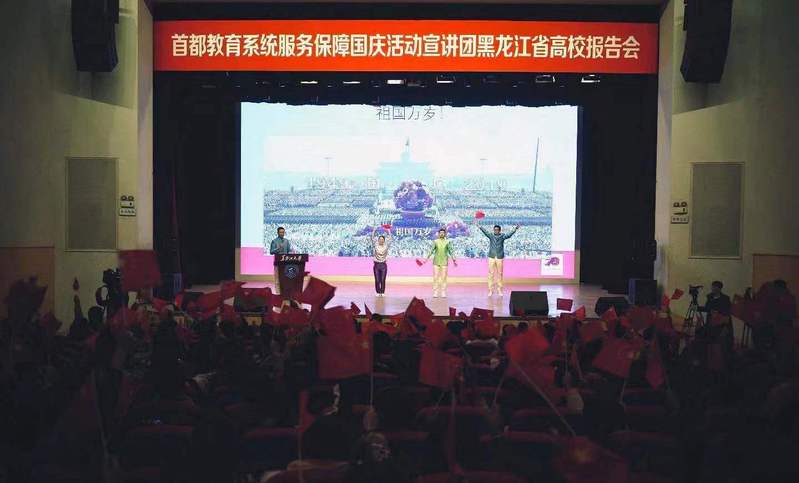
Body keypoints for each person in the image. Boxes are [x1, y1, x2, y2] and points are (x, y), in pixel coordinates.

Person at [475, 220, 520, 296]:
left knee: (500, 273)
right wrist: (479, 226)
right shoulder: (491, 235)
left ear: (499, 230)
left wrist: (515, 229)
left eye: (497, 230)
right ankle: (490, 290)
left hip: (499, 257)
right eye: (494, 229)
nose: (495, 231)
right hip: (491, 256)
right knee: (490, 273)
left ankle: (499, 289)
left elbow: (509, 235)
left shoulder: (502, 236)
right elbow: (485, 232)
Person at [421, 228, 457, 298]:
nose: (442, 234)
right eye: (440, 233)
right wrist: (426, 259)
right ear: (438, 234)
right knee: (435, 278)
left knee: (444, 278)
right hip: (436, 262)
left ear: (445, 234)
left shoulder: (447, 242)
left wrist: (454, 260)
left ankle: (443, 292)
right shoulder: (435, 241)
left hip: (444, 262)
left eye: (443, 233)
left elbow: (451, 251)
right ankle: (435, 292)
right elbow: (431, 251)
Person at [370, 227, 392, 297]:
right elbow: (372, 238)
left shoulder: (386, 246)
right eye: (380, 239)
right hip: (376, 265)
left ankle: (382, 292)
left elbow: (390, 239)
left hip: (383, 265)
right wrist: (374, 230)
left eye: (382, 239)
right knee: (377, 280)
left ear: (384, 241)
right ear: (378, 240)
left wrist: (388, 230)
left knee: (382, 280)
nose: (381, 240)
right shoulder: (375, 245)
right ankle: (377, 292)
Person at [269, 226, 291, 294]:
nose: (282, 234)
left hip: (285, 263)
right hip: (278, 263)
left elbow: (288, 251)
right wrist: (278, 249)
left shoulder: (286, 241)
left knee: (286, 279)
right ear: (277, 233)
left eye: (283, 232)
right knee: (278, 279)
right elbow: (271, 252)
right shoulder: (274, 241)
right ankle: (278, 293)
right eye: (281, 232)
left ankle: (285, 293)